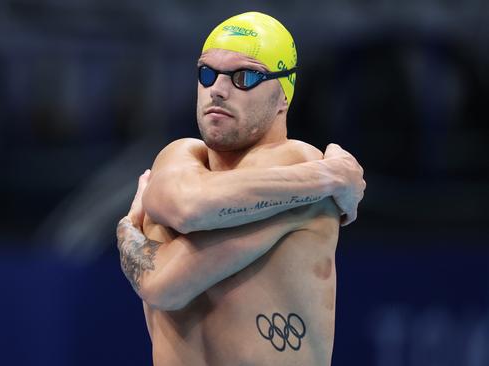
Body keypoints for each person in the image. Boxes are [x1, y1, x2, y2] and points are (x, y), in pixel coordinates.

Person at [116, 12, 365, 365]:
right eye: (207, 73)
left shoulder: (295, 160)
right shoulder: (179, 156)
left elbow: (163, 284)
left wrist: (130, 232)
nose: (217, 89)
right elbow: (188, 206)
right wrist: (331, 178)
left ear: (284, 96)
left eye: (244, 77)